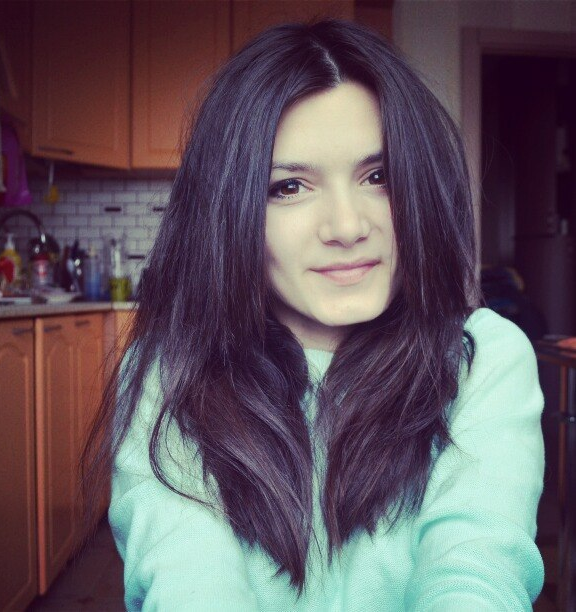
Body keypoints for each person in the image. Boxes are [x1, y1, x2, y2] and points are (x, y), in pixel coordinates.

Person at [83, 20, 545, 611]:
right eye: (289, 187)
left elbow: (478, 569)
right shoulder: (171, 372)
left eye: (378, 177)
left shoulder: (483, 359)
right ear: (230, 211)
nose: (348, 227)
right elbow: (189, 580)